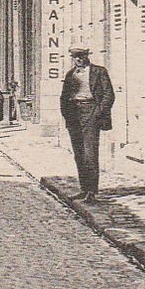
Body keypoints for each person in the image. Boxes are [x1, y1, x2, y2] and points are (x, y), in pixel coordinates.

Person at [61, 48, 115, 202]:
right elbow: (64, 97)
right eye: (75, 57)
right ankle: (84, 189)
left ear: (86, 57)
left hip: (91, 111)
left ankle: (92, 191)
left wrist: (98, 112)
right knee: (79, 153)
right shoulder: (70, 75)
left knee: (90, 152)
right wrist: (66, 115)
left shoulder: (99, 72)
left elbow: (108, 94)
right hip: (74, 113)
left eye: (81, 56)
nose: (78, 59)